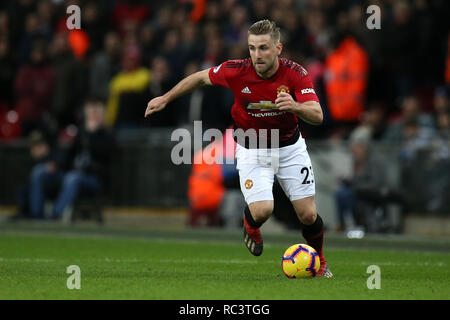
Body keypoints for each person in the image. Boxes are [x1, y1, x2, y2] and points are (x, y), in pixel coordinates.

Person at [145, 20, 332, 278]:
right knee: (263, 209)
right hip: (252, 148)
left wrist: (295, 106)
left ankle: (320, 262)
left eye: (264, 48)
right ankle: (250, 223)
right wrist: (165, 97)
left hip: (290, 148)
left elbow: (318, 115)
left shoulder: (296, 73)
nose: (257, 55)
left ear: (278, 48)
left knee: (308, 214)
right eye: (252, 48)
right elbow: (200, 77)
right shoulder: (236, 71)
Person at [28, 98, 115, 220]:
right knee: (39, 171)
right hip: (70, 172)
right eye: (91, 115)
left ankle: (55, 215)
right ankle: (36, 215)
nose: (93, 119)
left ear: (102, 117)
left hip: (94, 178)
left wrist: (91, 134)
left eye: (96, 115)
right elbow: (66, 150)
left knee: (72, 178)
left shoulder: (107, 135)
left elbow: (102, 155)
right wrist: (55, 163)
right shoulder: (79, 131)